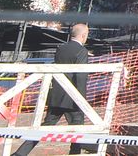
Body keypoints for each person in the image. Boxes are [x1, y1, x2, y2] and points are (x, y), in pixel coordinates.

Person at [13, 24, 94, 156]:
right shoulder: (82, 51)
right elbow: (81, 76)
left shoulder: (61, 48)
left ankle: (20, 153)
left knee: (45, 127)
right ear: (83, 35)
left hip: (57, 95)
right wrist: (81, 99)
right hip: (73, 98)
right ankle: (74, 154)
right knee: (78, 129)